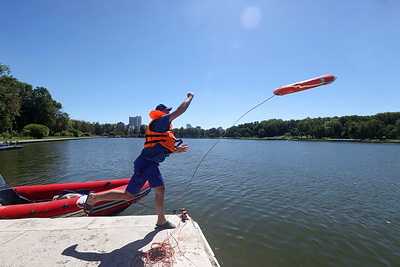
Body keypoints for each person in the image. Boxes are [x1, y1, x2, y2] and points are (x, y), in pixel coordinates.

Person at [84, 92, 194, 230]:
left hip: (152, 164)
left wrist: (175, 151)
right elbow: (181, 110)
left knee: (160, 190)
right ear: (161, 112)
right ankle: (93, 198)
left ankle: (161, 221)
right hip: (145, 163)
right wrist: (190, 96)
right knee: (128, 195)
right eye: (167, 110)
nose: (169, 112)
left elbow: (159, 147)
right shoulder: (160, 122)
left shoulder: (164, 128)